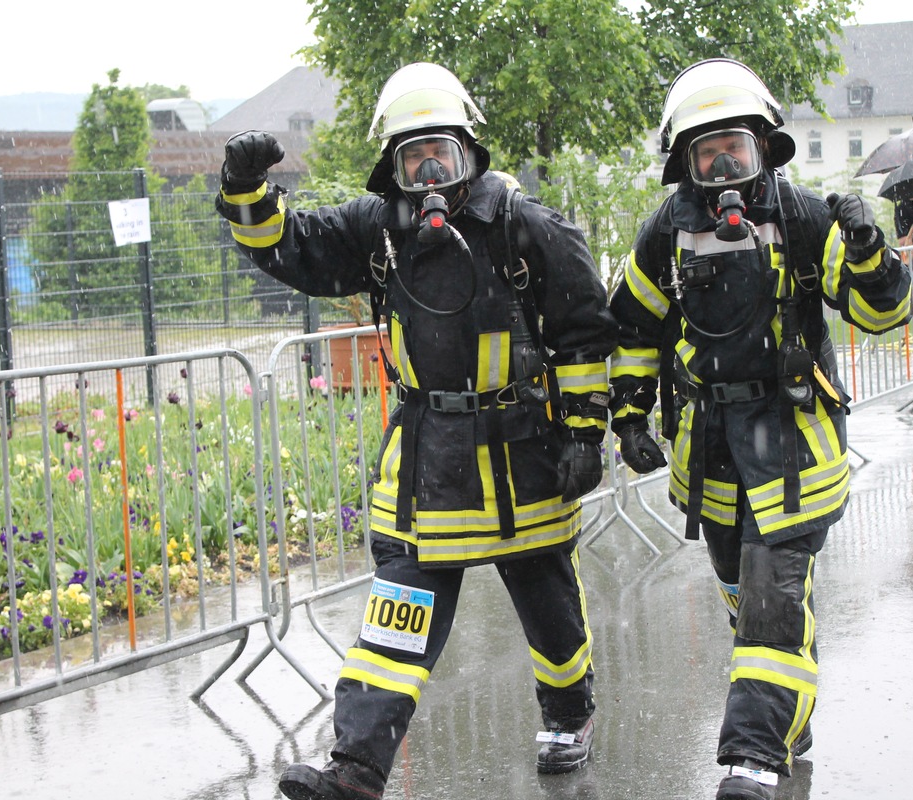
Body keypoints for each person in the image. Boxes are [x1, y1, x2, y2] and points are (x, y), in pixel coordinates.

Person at [214, 62, 618, 800]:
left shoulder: (525, 226)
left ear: (470, 153)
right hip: (429, 460)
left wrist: (587, 435)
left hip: (521, 454)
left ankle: (569, 714)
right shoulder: (377, 228)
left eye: (443, 153)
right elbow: (287, 245)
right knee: (398, 617)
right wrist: (246, 190)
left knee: (548, 604)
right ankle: (358, 768)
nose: (430, 170)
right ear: (393, 167)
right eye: (413, 157)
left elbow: (585, 332)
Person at [607, 59, 911, 800]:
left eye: (735, 148)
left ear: (763, 147)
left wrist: (871, 253)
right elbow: (634, 327)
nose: (722, 166)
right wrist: (627, 414)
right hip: (710, 450)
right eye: (706, 152)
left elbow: (885, 315)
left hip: (793, 442)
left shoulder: (805, 218)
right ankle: (786, 703)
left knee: (773, 602)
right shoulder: (666, 232)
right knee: (743, 593)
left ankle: (753, 756)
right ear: (684, 161)